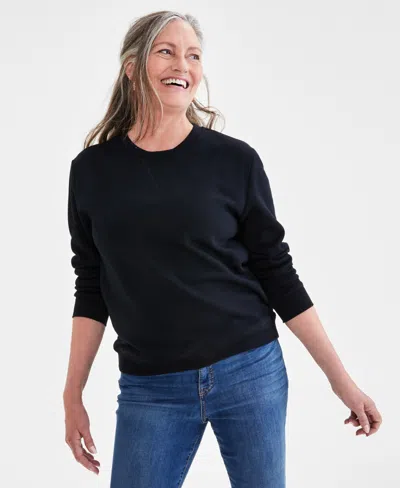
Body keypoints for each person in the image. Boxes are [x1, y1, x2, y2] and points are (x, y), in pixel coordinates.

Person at [63, 10, 382, 487]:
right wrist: (73, 395)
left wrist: (341, 380)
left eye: (193, 55)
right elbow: (91, 285)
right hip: (151, 387)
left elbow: (278, 273)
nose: (182, 65)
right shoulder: (91, 171)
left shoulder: (235, 161)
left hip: (249, 371)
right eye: (166, 51)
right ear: (131, 67)